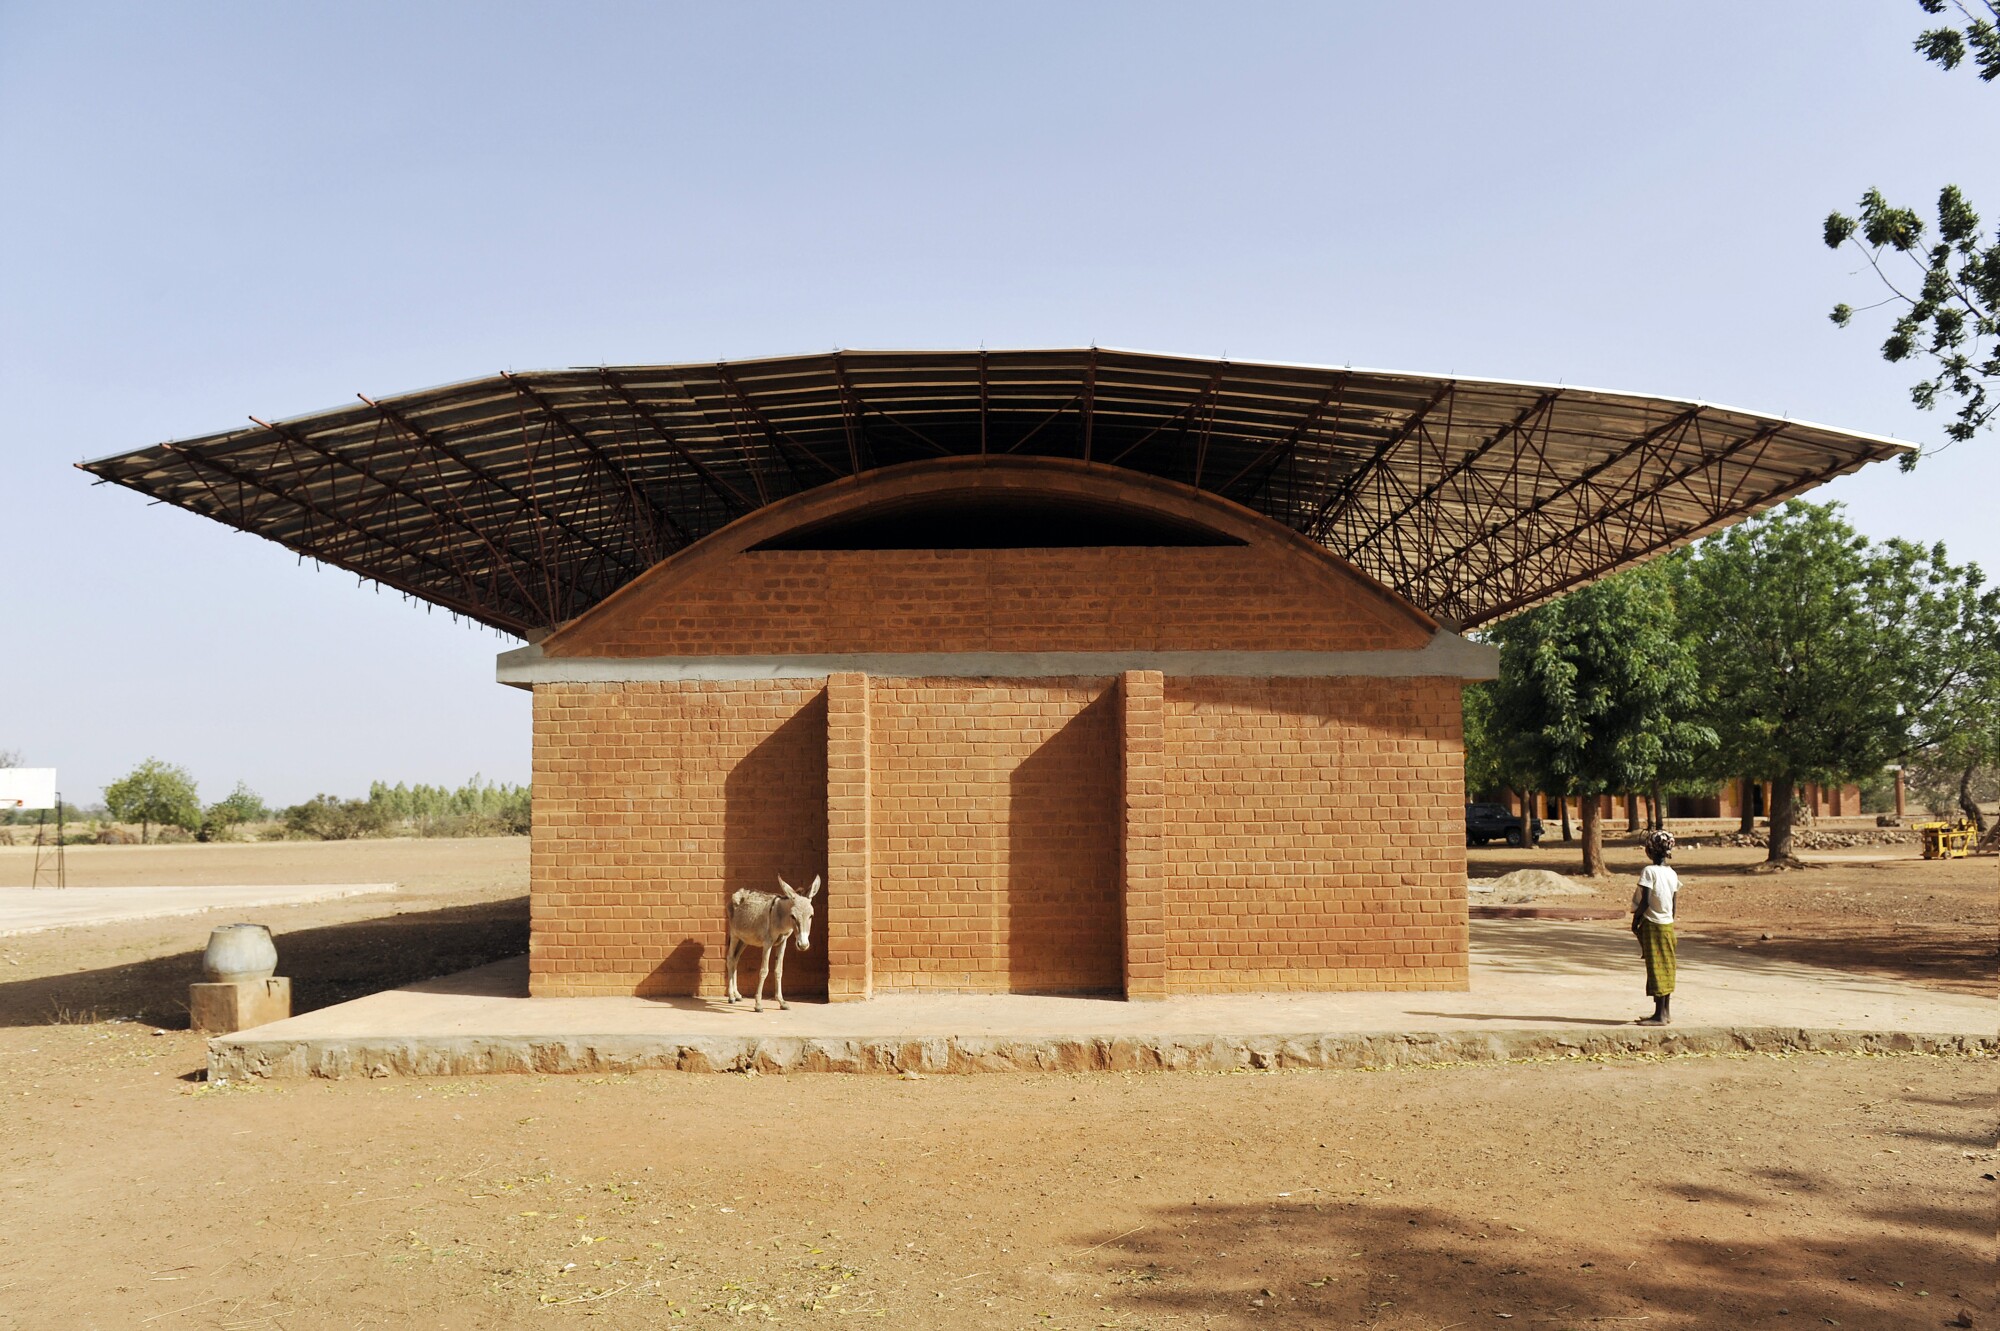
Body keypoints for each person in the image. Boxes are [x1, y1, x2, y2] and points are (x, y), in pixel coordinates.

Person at [1631, 830, 1680, 1025]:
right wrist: (1669, 918)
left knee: (1656, 968)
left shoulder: (1649, 871)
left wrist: (1635, 921)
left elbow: (1645, 901)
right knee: (1667, 967)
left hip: (1653, 925)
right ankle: (1664, 1012)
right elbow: (1675, 904)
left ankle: (1659, 1016)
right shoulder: (1672, 873)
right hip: (1667, 925)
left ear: (1650, 851)